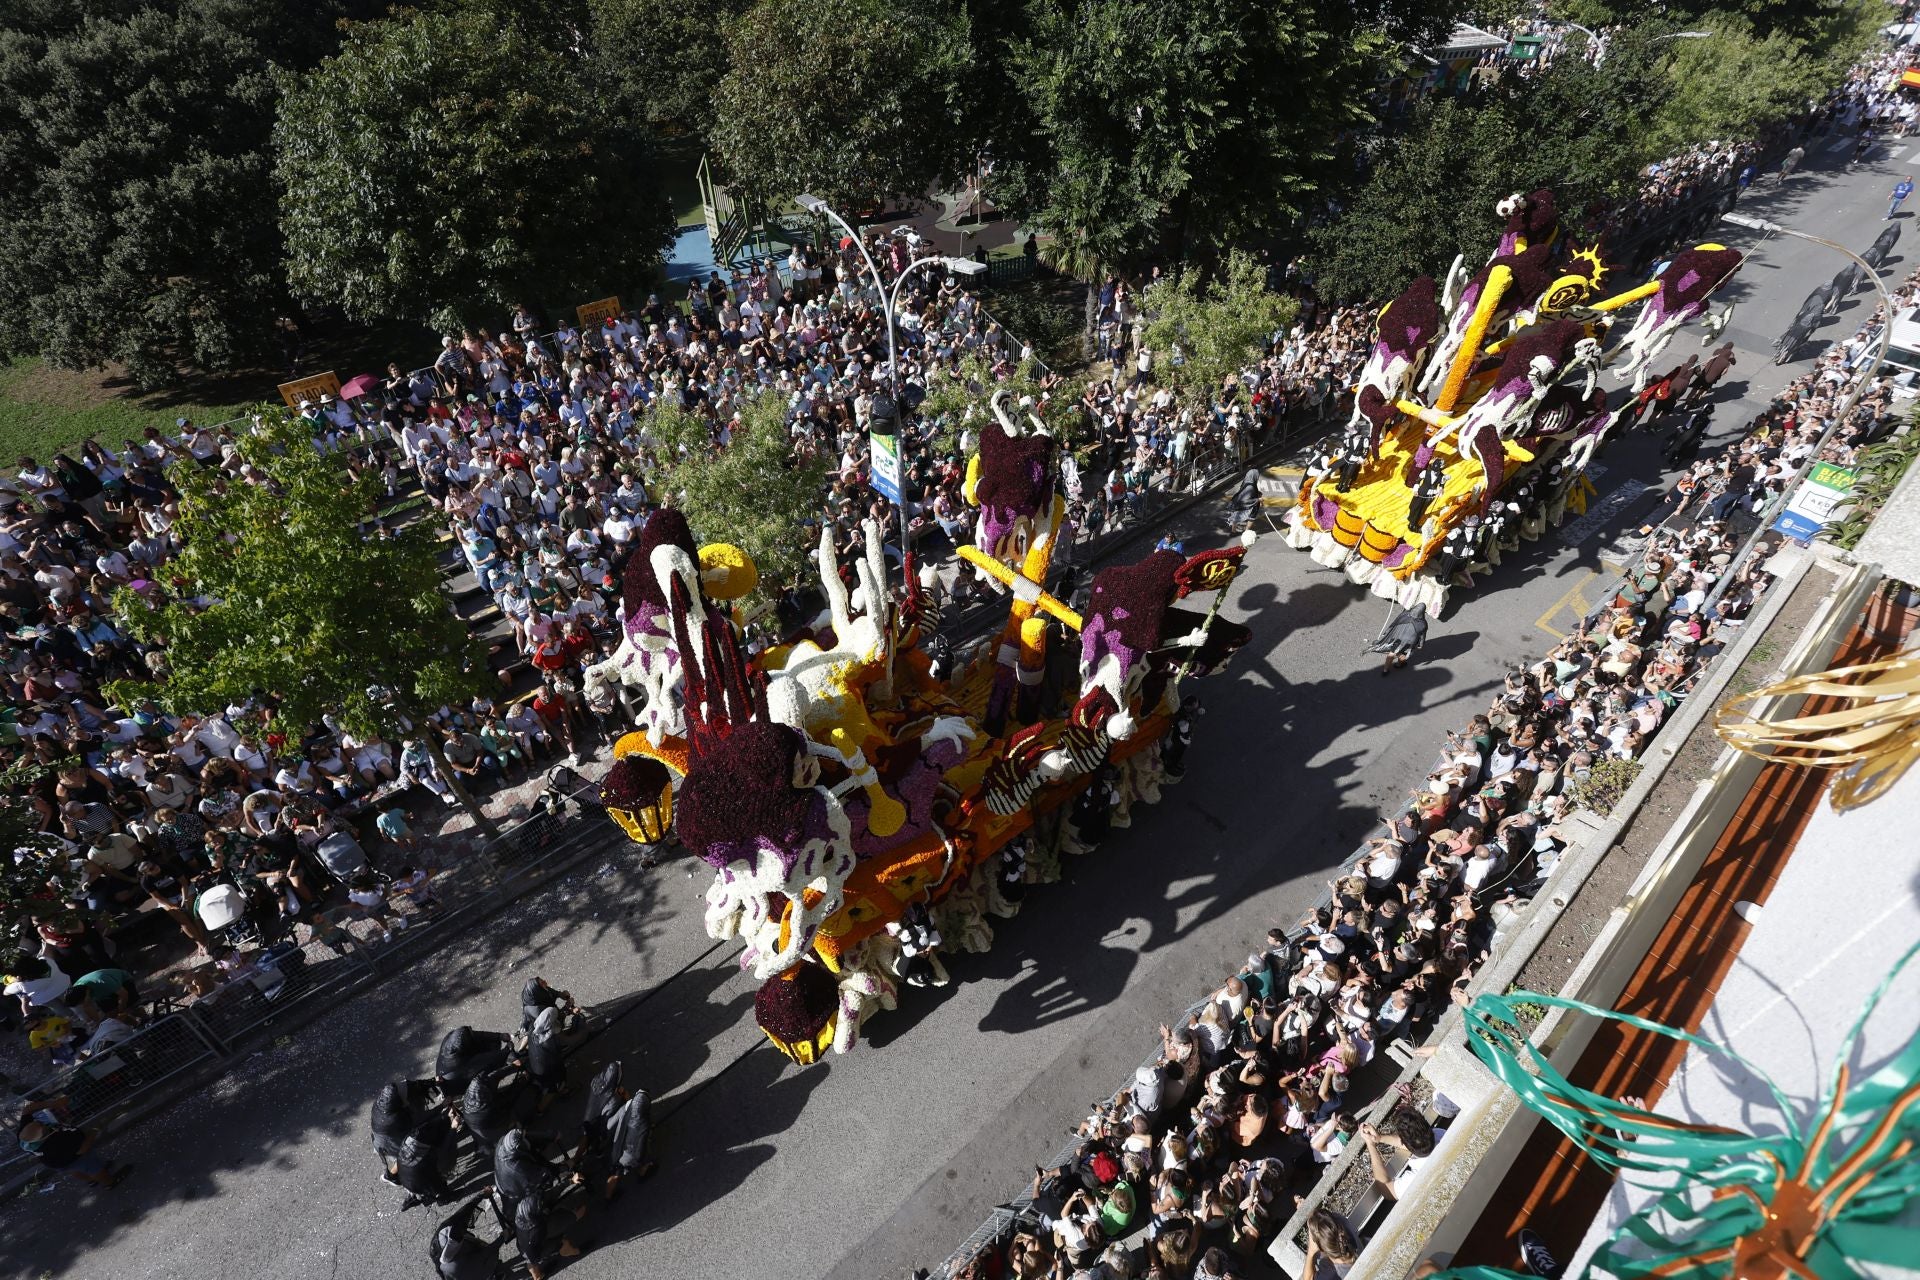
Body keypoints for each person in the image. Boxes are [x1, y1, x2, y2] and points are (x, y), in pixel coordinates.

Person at [14, 1114, 129, 1187]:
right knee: (93, 1167)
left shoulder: (24, 1138)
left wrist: (53, 1103)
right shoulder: (55, 1143)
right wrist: (94, 1130)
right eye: (42, 1128)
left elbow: (27, 1110)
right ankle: (110, 1182)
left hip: (58, 1163)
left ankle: (91, 1180)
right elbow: (82, 1149)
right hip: (76, 1158)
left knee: (74, 1170)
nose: (43, 1125)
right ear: (43, 1138)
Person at [430, 1196, 507, 1280]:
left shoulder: (439, 1241)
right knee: (492, 1255)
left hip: (451, 1275)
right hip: (465, 1273)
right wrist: (503, 1237)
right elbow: (487, 1252)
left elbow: (462, 1213)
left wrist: (480, 1195)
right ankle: (491, 1275)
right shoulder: (460, 1264)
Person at [1376, 603, 1429, 675]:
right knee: (1404, 654)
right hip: (1409, 643)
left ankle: (1385, 670)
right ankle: (1400, 664)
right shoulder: (1423, 624)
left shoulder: (1404, 614)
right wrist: (1421, 645)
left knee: (1391, 654)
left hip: (1397, 638)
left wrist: (1386, 632)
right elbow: (1422, 636)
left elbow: (1394, 623)